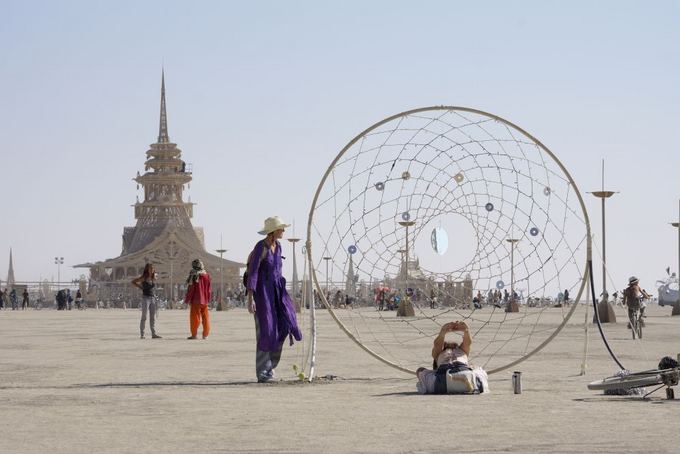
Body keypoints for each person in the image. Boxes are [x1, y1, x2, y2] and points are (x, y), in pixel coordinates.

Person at [246, 216, 302, 383]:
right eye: (281, 228)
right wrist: (251, 299)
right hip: (262, 294)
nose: (283, 231)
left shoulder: (278, 247)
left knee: (285, 325)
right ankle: (263, 372)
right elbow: (253, 272)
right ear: (273, 230)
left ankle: (271, 366)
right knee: (267, 330)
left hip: (278, 293)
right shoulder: (260, 247)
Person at [416, 320, 488, 394]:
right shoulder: (456, 351)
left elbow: (467, 342)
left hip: (441, 381)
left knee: (420, 370)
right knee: (478, 369)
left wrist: (465, 331)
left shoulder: (442, 353)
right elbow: (438, 345)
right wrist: (443, 332)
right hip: (464, 377)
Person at [132, 263, 162, 339]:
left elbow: (154, 285)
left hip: (152, 298)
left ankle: (153, 334)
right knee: (144, 316)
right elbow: (133, 281)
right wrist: (140, 287)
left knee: (152, 317)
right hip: (145, 298)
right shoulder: (144, 278)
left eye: (152, 268)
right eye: (150, 268)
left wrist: (155, 276)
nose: (151, 270)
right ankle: (142, 334)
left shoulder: (153, 278)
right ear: (147, 269)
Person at [184, 259, 212, 339]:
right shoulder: (206, 275)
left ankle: (194, 335)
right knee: (205, 318)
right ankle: (205, 335)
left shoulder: (194, 275)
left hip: (196, 300)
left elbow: (191, 289)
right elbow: (209, 289)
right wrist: (208, 299)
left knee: (194, 318)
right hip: (205, 301)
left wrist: (187, 300)